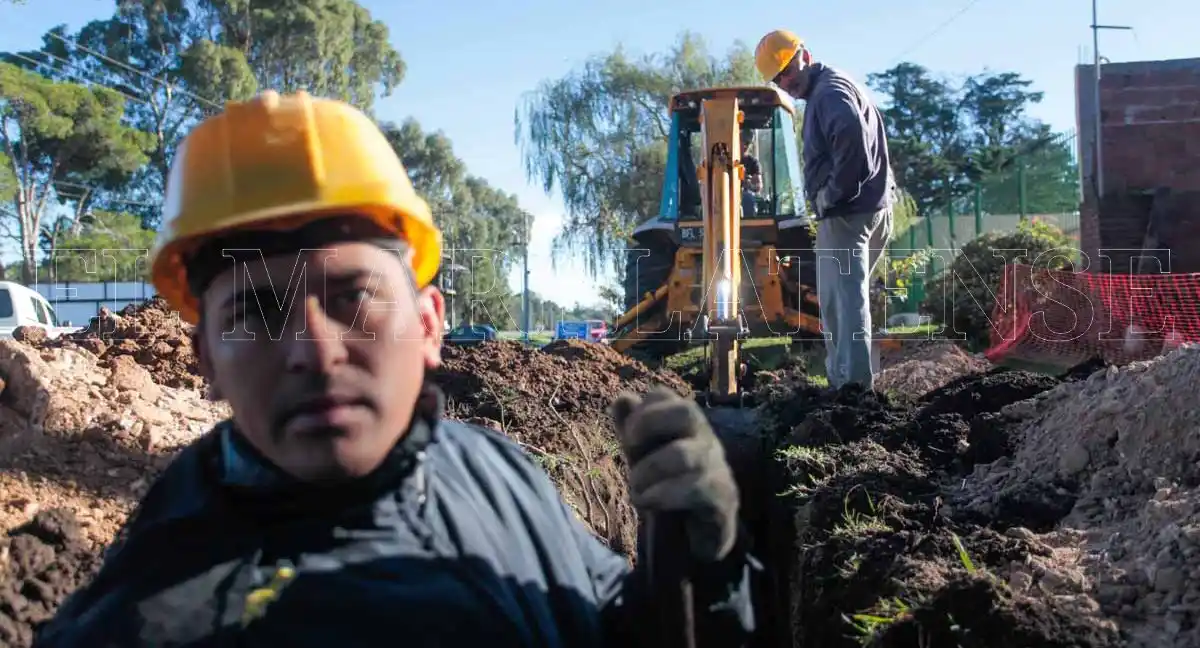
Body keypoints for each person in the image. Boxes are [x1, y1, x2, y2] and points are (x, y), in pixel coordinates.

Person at [33, 91, 756, 647]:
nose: (315, 351)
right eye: (256, 312)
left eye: (353, 298)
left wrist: (700, 568)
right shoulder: (154, 619)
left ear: (429, 325)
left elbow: (609, 621)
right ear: (205, 361)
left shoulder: (491, 471)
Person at [755, 29, 895, 390]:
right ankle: (851, 385)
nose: (785, 82)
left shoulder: (829, 93)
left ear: (805, 54)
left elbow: (850, 137)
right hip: (868, 209)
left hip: (847, 215)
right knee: (846, 302)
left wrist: (831, 196)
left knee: (842, 307)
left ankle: (853, 393)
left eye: (786, 70)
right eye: (777, 78)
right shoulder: (836, 86)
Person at [741, 131, 763, 218]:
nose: (746, 146)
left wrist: (749, 185)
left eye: (748, 143)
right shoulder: (726, 161)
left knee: (747, 198)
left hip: (745, 198)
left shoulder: (753, 163)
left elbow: (758, 186)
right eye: (743, 141)